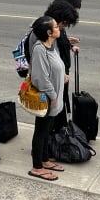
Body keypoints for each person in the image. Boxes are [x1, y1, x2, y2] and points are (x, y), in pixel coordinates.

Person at [27, 16, 66, 181]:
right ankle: (37, 167)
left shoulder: (51, 45)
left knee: (46, 131)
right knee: (41, 132)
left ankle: (44, 160)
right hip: (48, 98)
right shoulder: (39, 49)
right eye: (56, 27)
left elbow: (54, 68)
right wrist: (52, 95)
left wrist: (62, 76)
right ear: (49, 32)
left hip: (54, 99)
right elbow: (39, 78)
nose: (59, 28)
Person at [41, 0, 80, 132]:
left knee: (58, 109)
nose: (63, 28)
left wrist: (70, 45)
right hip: (50, 82)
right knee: (45, 120)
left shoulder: (56, 30)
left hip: (60, 77)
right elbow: (45, 61)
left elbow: (59, 48)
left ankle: (58, 136)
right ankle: (47, 146)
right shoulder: (43, 32)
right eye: (63, 24)